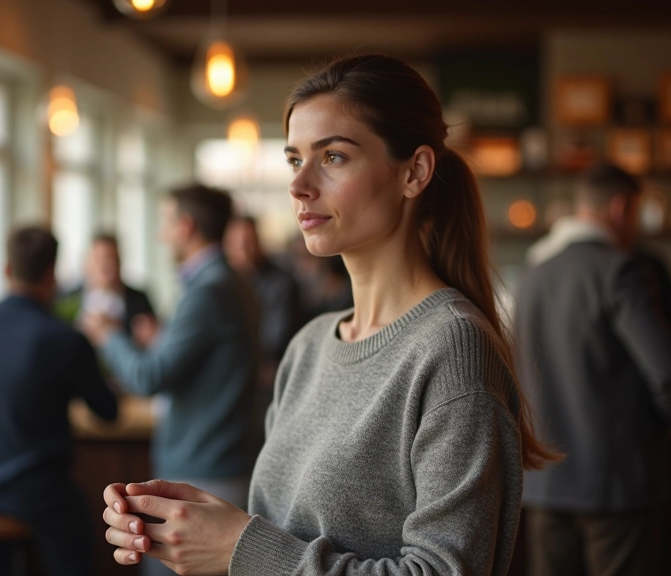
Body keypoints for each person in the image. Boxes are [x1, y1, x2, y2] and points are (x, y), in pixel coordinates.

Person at [99, 54, 558, 576]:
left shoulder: (452, 348)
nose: (299, 186)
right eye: (295, 159)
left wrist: (238, 547)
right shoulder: (310, 346)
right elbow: (284, 536)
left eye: (334, 157)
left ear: (415, 172)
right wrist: (197, 527)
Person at [516, 163, 671, 576]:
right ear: (620, 207)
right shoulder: (619, 268)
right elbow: (666, 370)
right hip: (614, 477)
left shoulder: (534, 272)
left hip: (545, 481)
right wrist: (669, 418)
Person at [81, 184, 257, 575]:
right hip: (222, 459)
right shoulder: (232, 281)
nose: (162, 234)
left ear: (186, 226)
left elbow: (147, 378)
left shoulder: (206, 291)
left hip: (203, 468)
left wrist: (107, 335)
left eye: (165, 223)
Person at [0, 226, 118, 576]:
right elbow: (107, 411)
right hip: (37, 496)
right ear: (52, 275)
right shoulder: (64, 339)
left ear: (6, 269)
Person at [223, 215, 301, 377]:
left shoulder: (281, 283)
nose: (244, 250)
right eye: (236, 244)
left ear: (259, 242)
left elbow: (275, 338)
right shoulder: (223, 281)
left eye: (249, 242)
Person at [55, 232, 154, 339]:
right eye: (102, 260)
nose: (109, 266)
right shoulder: (67, 299)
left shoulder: (139, 300)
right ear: (87, 263)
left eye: (113, 259)